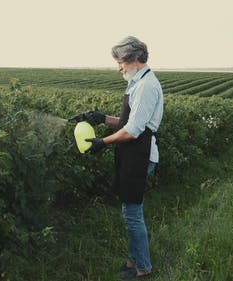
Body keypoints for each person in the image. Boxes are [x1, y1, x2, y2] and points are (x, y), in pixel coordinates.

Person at [70, 36, 163, 279]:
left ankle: (143, 267)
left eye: (120, 62)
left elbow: (133, 131)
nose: (118, 67)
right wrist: (101, 118)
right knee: (130, 210)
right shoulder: (137, 82)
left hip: (140, 154)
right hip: (134, 153)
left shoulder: (146, 86)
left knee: (132, 213)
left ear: (133, 59)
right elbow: (127, 123)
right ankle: (134, 260)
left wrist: (103, 142)